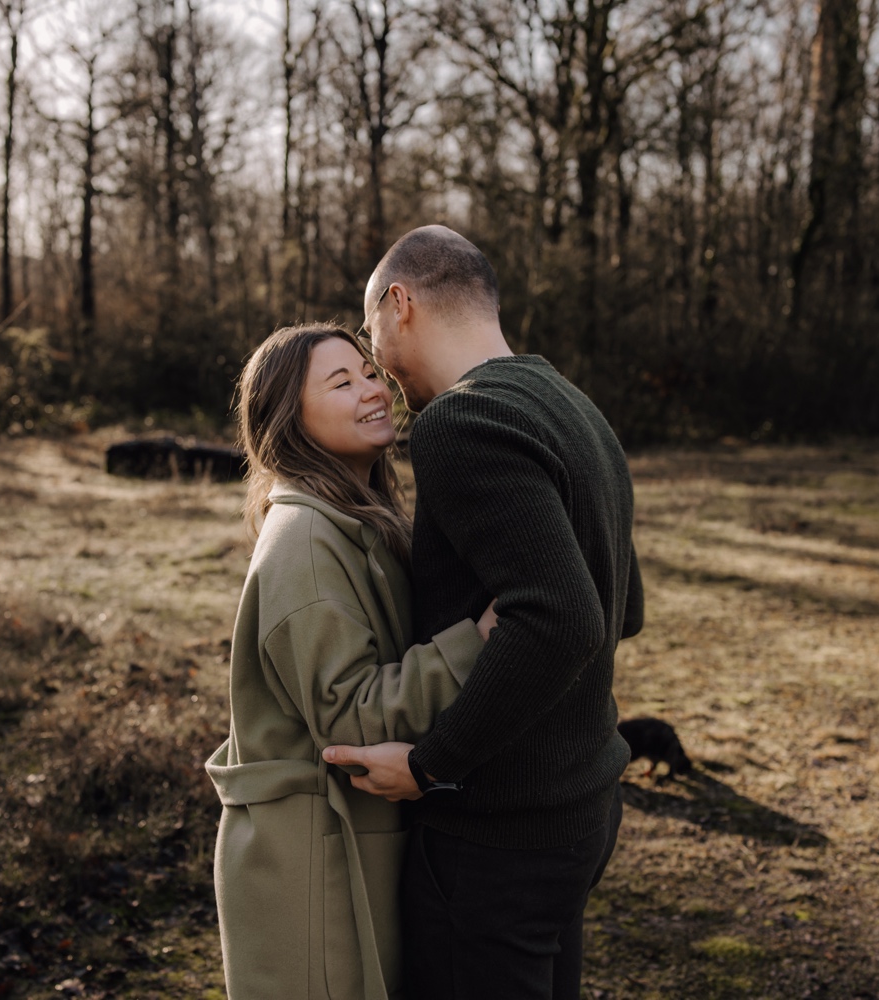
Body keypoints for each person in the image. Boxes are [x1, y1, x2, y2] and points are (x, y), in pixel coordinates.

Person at [323, 225, 645, 1000]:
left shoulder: (459, 423)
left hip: (499, 833)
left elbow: (566, 619)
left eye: (371, 333)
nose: (378, 369)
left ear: (400, 304)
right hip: (583, 807)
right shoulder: (569, 402)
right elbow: (620, 606)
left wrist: (434, 765)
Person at [205, 322, 497, 1000]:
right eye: (342, 382)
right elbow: (351, 716)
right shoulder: (305, 543)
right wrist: (471, 644)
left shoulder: (355, 516)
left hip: (352, 840)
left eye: (370, 373)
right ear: (290, 419)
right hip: (310, 862)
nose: (374, 391)